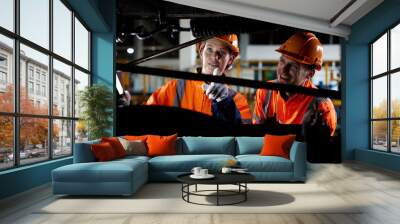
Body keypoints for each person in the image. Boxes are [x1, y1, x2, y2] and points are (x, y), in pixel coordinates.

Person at [146, 34, 251, 124]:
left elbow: (244, 137)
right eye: (210, 49)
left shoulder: (237, 100)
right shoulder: (174, 89)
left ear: (230, 60)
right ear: (201, 50)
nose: (215, 56)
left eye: (222, 53)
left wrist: (225, 103)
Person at [253, 32, 337, 136]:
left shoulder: (322, 106)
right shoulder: (265, 92)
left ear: (310, 74)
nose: (283, 70)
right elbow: (256, 136)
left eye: (293, 66)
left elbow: (321, 150)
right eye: (282, 61)